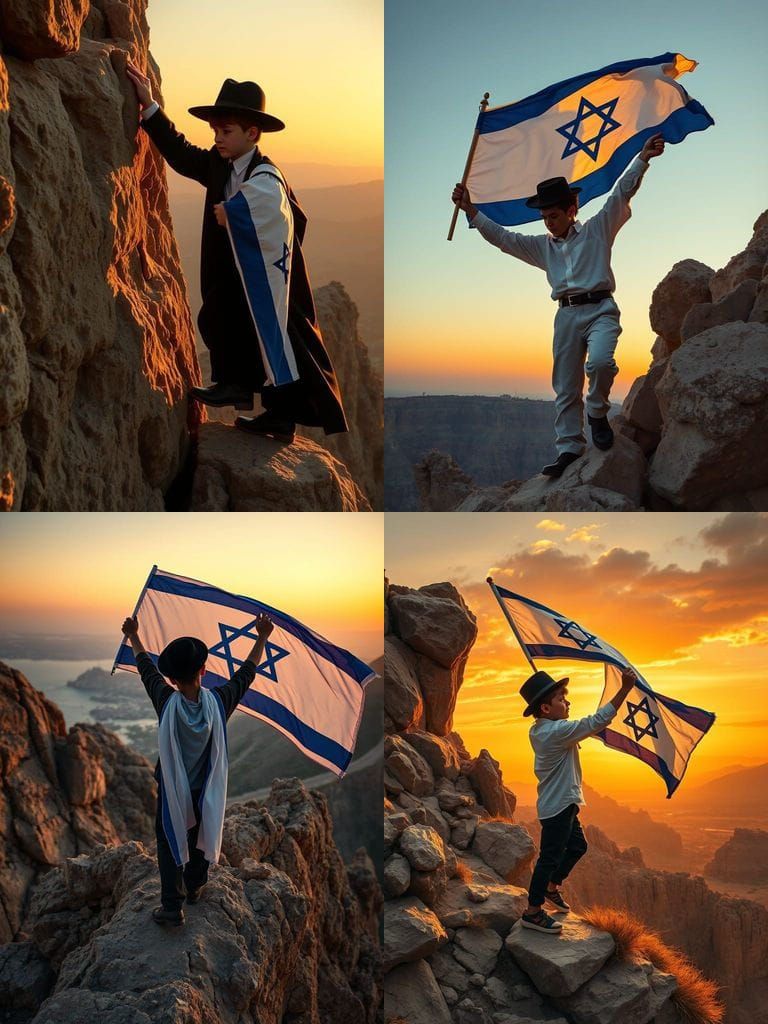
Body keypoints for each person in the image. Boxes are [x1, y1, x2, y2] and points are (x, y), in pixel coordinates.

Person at [126, 64, 348, 444]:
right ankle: (237, 387)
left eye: (226, 131)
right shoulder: (218, 163)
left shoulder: (267, 175)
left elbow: (283, 214)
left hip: (271, 273)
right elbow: (182, 155)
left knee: (280, 337)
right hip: (233, 271)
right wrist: (150, 106)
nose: (218, 139)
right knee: (223, 317)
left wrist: (235, 213)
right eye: (215, 131)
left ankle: (280, 416)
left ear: (252, 132)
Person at [452, 134, 665, 477]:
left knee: (600, 363)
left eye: (553, 215)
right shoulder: (542, 248)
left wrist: (643, 159)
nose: (548, 221)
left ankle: (597, 410)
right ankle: (569, 448)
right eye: (544, 216)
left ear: (571, 210)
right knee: (565, 386)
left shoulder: (598, 230)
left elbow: (621, 192)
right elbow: (505, 240)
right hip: (565, 316)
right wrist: (471, 210)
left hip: (600, 310)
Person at [120, 611, 273, 926]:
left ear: (172, 680)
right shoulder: (220, 702)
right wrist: (261, 637)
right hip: (206, 789)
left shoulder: (165, 700)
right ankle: (195, 886)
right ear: (204, 670)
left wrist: (133, 634)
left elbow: (145, 669)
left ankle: (172, 906)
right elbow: (246, 673)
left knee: (169, 839)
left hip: (174, 789)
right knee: (201, 833)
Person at [518, 666, 637, 933]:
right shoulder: (554, 732)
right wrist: (624, 689)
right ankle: (533, 912)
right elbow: (595, 721)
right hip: (558, 808)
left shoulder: (544, 730)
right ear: (546, 709)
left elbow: (585, 727)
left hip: (564, 804)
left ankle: (551, 887)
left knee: (578, 847)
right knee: (548, 859)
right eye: (561, 698)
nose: (567, 701)